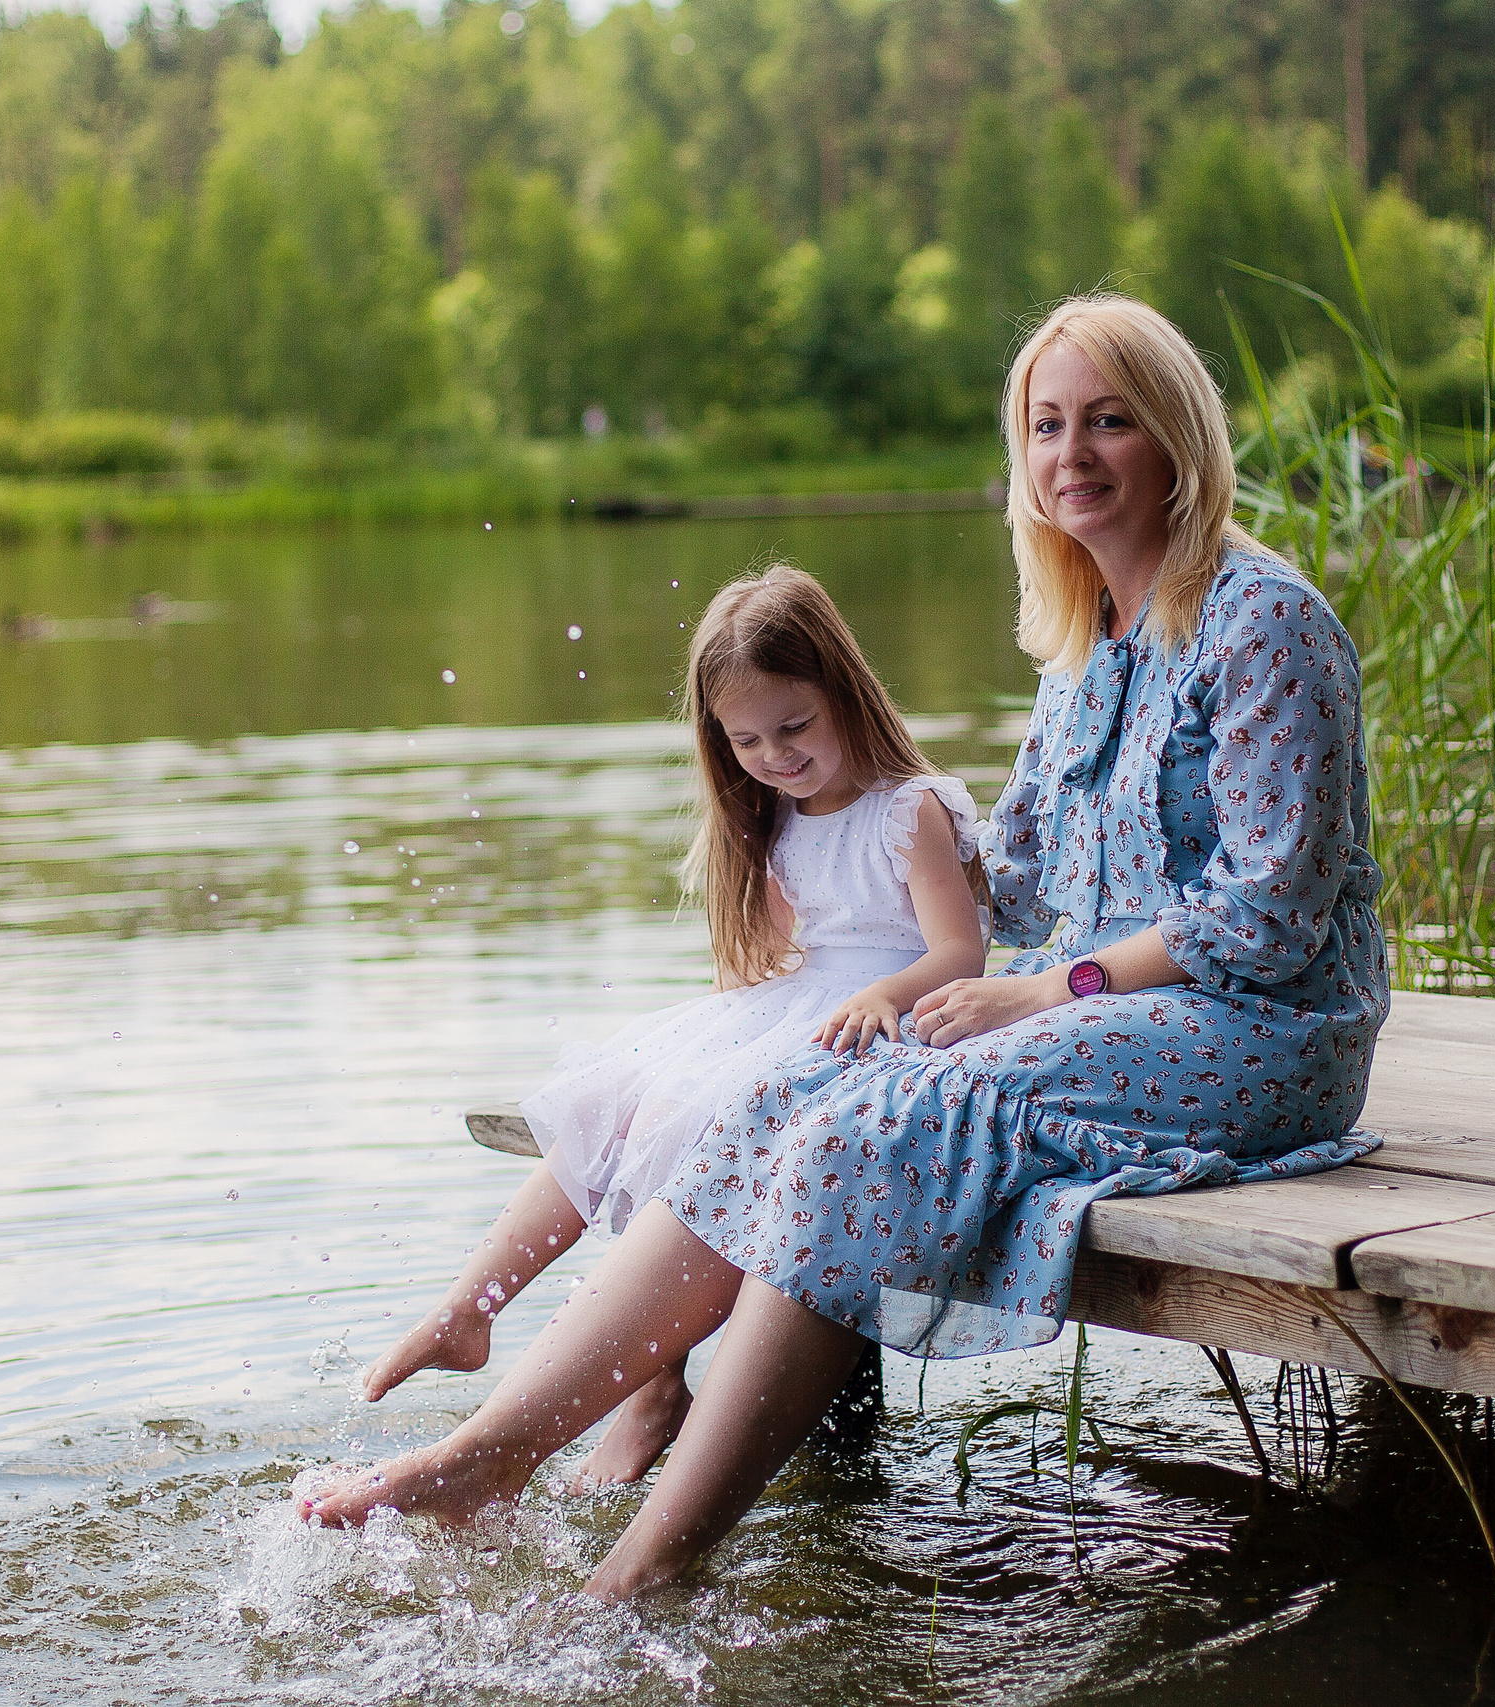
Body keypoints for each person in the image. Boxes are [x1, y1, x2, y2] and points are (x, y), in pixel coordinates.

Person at [299, 295, 1390, 1602]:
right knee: (786, 1089)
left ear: (1178, 435)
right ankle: (492, 1451)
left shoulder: (1265, 623)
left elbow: (1270, 917)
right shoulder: (1082, 641)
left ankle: (647, 1563)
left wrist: (1048, 983)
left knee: (881, 1123)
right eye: (1047, 425)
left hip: (1259, 1034)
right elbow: (1026, 871)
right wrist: (865, 826)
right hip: (1095, 1018)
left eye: (1110, 419)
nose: (1073, 454)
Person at [339, 563, 986, 1490]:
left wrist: (889, 995)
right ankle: (471, 1306)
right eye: (748, 740)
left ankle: (652, 1388)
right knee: (619, 1094)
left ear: (843, 689)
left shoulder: (907, 809)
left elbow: (960, 952)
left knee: (709, 1114)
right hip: (798, 1011)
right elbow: (765, 963)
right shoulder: (781, 818)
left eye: (794, 727)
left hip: (884, 1026)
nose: (776, 756)